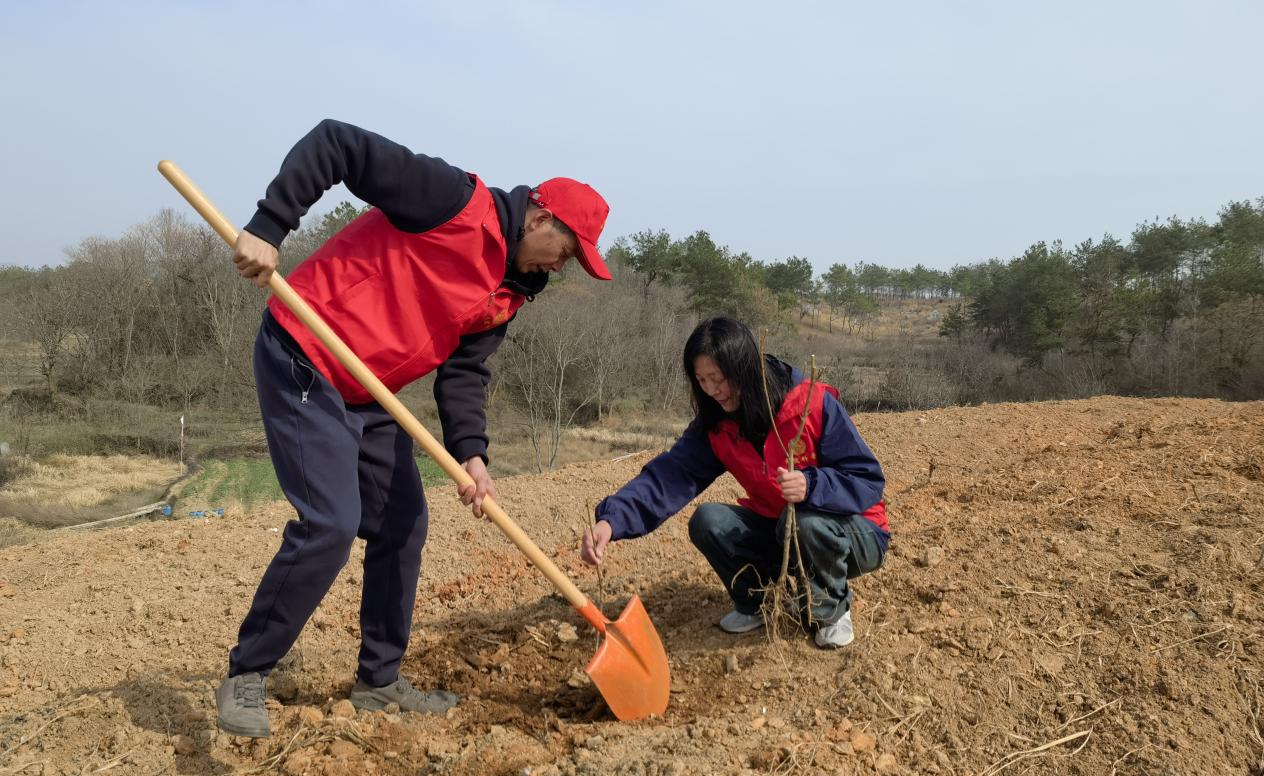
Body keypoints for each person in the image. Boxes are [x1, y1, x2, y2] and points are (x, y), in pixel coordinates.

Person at [216, 119, 612, 738]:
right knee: (330, 524)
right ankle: (248, 672)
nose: (562, 267)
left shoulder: (511, 291)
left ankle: (378, 680)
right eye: (567, 251)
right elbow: (336, 143)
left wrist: (472, 455)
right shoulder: (451, 201)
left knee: (402, 523)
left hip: (369, 386)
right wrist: (270, 226)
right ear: (540, 219)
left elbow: (464, 373)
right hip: (306, 352)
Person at [581, 316, 887, 648]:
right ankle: (759, 601)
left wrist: (812, 485)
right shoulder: (717, 425)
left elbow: (867, 479)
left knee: (804, 521)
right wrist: (612, 521)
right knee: (709, 521)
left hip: (854, 532)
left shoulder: (811, 405)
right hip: (781, 530)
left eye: (717, 378)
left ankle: (829, 611)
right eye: (701, 380)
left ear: (742, 368)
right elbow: (671, 476)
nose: (711, 390)